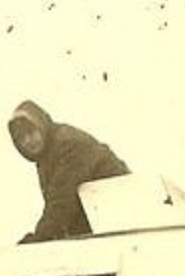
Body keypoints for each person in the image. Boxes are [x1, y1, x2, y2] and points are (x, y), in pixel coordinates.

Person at [8, 100, 130, 243]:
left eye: (31, 132)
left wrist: (40, 237)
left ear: (41, 125)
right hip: (100, 222)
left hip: (123, 219)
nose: (28, 141)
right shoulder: (46, 156)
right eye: (21, 138)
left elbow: (62, 200)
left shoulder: (67, 144)